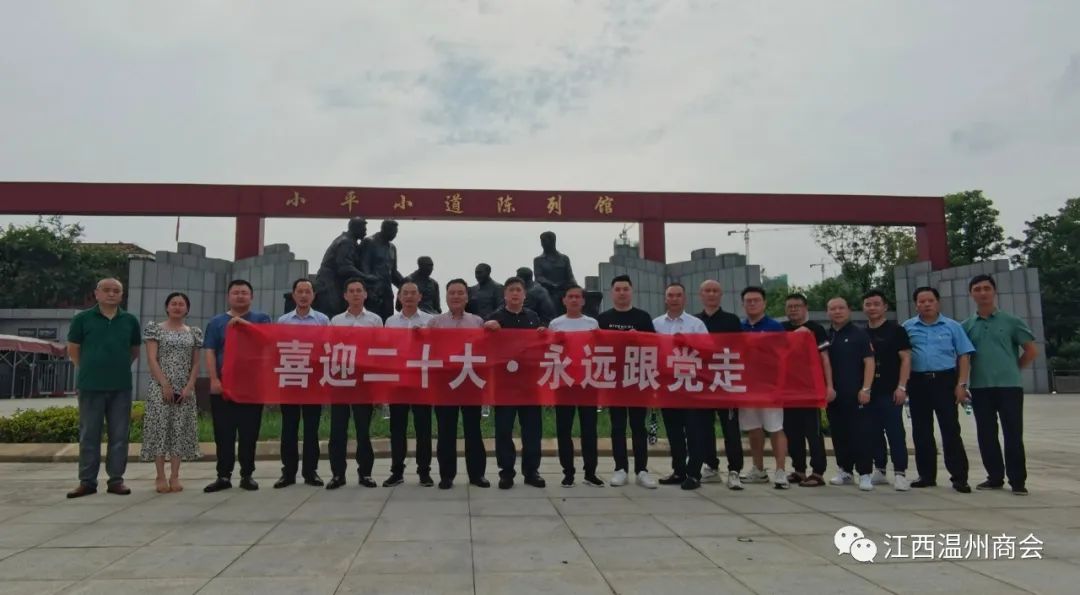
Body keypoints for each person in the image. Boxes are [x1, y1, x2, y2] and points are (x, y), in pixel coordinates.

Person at [66, 278, 141, 498]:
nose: (111, 294)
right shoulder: (82, 319)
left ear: (122, 295)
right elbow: (73, 349)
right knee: (89, 434)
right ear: (96, 293)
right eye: (106, 290)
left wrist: (117, 367)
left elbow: (134, 351)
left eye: (116, 291)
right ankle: (87, 481)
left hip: (121, 386)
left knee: (119, 435)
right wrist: (89, 368)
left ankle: (116, 480)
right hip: (90, 385)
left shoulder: (130, 320)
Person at [963, 274, 1038, 495]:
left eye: (986, 288)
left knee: (1013, 433)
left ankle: (1018, 481)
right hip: (980, 387)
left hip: (1009, 387)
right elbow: (963, 357)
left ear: (994, 291)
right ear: (971, 294)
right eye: (977, 289)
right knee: (986, 434)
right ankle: (995, 477)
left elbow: (1031, 350)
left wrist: (1014, 369)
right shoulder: (966, 326)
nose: (982, 293)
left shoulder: (1011, 321)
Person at [903, 286, 975, 493]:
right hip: (917, 382)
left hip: (945, 381)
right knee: (921, 430)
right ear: (916, 304)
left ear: (938, 302)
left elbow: (964, 356)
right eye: (921, 301)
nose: (926, 304)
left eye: (930, 300)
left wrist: (962, 384)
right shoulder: (907, 327)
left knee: (950, 429)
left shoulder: (952, 326)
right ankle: (926, 475)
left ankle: (959, 477)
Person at [203, 280, 273, 493]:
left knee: (249, 433)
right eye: (236, 293)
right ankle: (223, 475)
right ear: (228, 296)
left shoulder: (261, 318)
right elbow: (210, 351)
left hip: (252, 386)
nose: (240, 296)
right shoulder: (216, 322)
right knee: (223, 433)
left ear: (251, 297)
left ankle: (247, 474)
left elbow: (268, 339)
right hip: (224, 386)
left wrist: (243, 324)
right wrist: (214, 380)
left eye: (244, 293)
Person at [597, 275, 658, 489]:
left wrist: (639, 338)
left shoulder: (643, 317)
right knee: (618, 426)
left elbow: (655, 346)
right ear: (611, 292)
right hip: (614, 380)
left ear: (631, 292)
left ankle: (642, 470)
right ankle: (620, 468)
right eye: (618, 289)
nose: (622, 293)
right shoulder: (603, 319)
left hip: (638, 379)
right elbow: (596, 347)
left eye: (625, 289)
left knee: (638, 426)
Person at [429, 278, 491, 489]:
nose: (456, 296)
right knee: (446, 430)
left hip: (470, 381)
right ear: (446, 297)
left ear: (467, 297)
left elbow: (486, 349)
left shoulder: (477, 322)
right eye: (452, 293)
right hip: (444, 383)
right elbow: (426, 349)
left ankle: (477, 475)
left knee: (473, 429)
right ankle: (447, 475)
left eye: (460, 293)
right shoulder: (435, 323)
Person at [485, 276, 546, 489]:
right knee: (504, 430)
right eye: (511, 290)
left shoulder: (533, 317)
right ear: (505, 294)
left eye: (518, 290)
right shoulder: (495, 317)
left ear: (524, 294)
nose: (515, 293)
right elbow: (485, 343)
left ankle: (531, 471)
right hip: (505, 385)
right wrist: (487, 327)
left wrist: (542, 334)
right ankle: (506, 472)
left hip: (529, 384)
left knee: (532, 430)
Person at [141, 292, 202, 494]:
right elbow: (152, 359)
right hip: (160, 387)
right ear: (167, 307)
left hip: (185, 388)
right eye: (173, 303)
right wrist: (164, 384)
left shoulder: (193, 332)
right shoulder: (155, 329)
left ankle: (175, 475)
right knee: (160, 429)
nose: (177, 307)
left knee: (179, 430)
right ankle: (160, 476)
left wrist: (189, 386)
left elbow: (196, 363)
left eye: (181, 304)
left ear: (187, 309)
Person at [326, 278, 384, 490]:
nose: (355, 294)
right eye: (351, 291)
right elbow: (329, 348)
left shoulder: (375, 320)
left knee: (363, 430)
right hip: (340, 381)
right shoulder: (336, 320)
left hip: (364, 381)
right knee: (337, 430)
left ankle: (365, 473)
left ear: (365, 294)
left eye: (359, 290)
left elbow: (380, 350)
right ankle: (337, 474)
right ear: (345, 295)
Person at [653, 282, 709, 491]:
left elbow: (708, 350)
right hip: (668, 385)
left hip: (691, 386)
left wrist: (689, 344)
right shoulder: (656, 324)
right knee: (674, 431)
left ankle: (694, 473)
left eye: (678, 295)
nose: (674, 299)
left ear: (684, 298)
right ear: (665, 298)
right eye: (670, 295)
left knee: (694, 431)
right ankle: (678, 470)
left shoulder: (696, 324)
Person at [275, 279, 330, 489]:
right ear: (294, 295)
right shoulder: (283, 321)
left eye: (308, 291)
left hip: (313, 380)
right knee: (289, 428)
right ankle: (288, 473)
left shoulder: (322, 320)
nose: (304, 295)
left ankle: (310, 472)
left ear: (313, 295)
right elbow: (277, 348)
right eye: (300, 291)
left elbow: (328, 347)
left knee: (311, 429)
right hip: (290, 378)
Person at [693, 280, 745, 490]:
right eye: (707, 291)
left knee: (730, 429)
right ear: (700, 295)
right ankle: (711, 466)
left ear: (721, 294)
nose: (711, 294)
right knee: (704, 428)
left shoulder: (731, 320)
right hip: (702, 383)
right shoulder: (695, 321)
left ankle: (734, 470)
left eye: (715, 291)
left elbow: (740, 349)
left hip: (726, 382)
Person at [549, 285, 603, 488]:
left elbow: (599, 349)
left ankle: (590, 472)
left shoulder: (592, 323)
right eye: (570, 296)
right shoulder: (556, 324)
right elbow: (549, 351)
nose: (574, 300)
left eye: (577, 297)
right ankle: (568, 472)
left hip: (587, 382)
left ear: (583, 301)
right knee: (564, 429)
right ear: (564, 300)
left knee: (589, 429)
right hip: (564, 382)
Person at [383, 281, 436, 487]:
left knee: (423, 428)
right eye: (405, 293)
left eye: (413, 293)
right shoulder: (390, 321)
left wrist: (426, 336)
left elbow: (438, 347)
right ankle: (397, 471)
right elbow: (385, 349)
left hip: (421, 380)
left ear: (420, 297)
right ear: (399, 297)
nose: (409, 296)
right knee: (397, 429)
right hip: (398, 380)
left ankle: (424, 471)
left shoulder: (430, 321)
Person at [738, 286, 790, 489]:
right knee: (753, 429)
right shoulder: (739, 327)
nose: (752, 304)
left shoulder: (774, 327)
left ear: (764, 303)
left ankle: (780, 471)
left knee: (775, 427)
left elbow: (784, 358)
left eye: (756, 300)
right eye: (748, 301)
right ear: (743, 304)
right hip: (746, 386)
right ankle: (758, 469)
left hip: (770, 386)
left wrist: (780, 385)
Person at [862, 289, 913, 491]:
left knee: (895, 432)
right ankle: (880, 469)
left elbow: (906, 359)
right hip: (869, 391)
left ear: (885, 307)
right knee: (873, 432)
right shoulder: (862, 333)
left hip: (891, 390)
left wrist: (902, 386)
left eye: (876, 304)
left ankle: (900, 472)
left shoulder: (896, 330)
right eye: (868, 304)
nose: (872, 308)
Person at [824, 298, 877, 491]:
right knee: (839, 434)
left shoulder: (859, 334)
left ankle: (865, 473)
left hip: (856, 393)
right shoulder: (827, 336)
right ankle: (845, 470)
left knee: (860, 434)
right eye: (833, 308)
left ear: (849, 310)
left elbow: (869, 362)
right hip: (833, 395)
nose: (837, 311)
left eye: (841, 308)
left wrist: (866, 388)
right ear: (827, 312)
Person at [781, 293, 833, 488]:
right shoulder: (781, 329)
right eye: (790, 306)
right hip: (788, 390)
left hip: (811, 389)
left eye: (797, 306)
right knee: (792, 432)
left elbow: (824, 358)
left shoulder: (816, 329)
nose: (793, 310)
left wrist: (829, 386)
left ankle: (818, 472)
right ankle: (799, 470)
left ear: (805, 308)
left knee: (813, 432)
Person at [313, 217, 369, 317]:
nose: (365, 232)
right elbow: (345, 268)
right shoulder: (346, 242)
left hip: (334, 284)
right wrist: (366, 277)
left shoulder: (350, 241)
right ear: (355, 228)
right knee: (333, 314)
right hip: (329, 285)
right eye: (363, 229)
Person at [357, 219, 405, 320]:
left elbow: (393, 273)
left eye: (396, 233)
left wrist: (407, 284)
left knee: (387, 322)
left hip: (387, 292)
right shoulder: (369, 242)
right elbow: (364, 266)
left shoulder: (392, 248)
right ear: (384, 229)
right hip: (373, 291)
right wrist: (369, 289)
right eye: (393, 232)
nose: (394, 235)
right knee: (371, 322)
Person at [533, 231, 577, 315]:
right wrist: (552, 285)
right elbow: (538, 277)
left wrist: (576, 288)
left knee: (582, 296)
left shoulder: (564, 259)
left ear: (553, 241)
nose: (542, 244)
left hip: (564, 290)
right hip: (547, 291)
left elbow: (570, 276)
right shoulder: (538, 260)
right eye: (541, 241)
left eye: (544, 241)